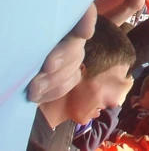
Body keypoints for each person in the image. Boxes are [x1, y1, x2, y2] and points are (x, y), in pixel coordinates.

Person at [27, 16, 137, 151]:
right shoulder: (22, 138)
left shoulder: (63, 127)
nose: (114, 104)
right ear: (78, 70)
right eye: (112, 86)